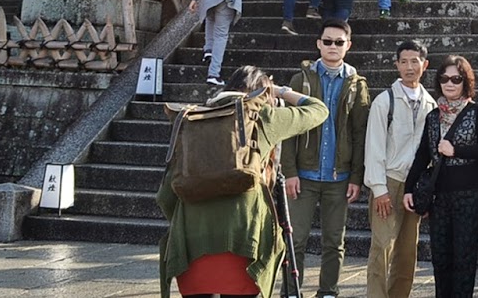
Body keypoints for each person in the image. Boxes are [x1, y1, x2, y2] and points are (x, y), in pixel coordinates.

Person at [157, 65, 327, 298]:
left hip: (191, 240)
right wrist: (281, 90)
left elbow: (166, 194)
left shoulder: (191, 118)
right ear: (262, 92)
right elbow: (318, 110)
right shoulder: (263, 116)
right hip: (243, 237)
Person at [281, 20, 372, 298]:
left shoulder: (357, 85)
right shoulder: (302, 80)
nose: (333, 47)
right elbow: (289, 130)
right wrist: (289, 171)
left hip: (339, 177)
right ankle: (291, 291)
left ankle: (328, 291)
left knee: (334, 240)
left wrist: (357, 176)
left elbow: (360, 133)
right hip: (304, 175)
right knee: (295, 238)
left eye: (339, 42)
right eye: (328, 41)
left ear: (348, 46)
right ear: (318, 43)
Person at [404, 55, 478, 298]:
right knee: (441, 256)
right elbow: (423, 154)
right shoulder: (434, 116)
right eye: (444, 78)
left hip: (468, 195)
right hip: (440, 196)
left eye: (456, 78)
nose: (450, 83)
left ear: (466, 82)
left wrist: (457, 150)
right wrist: (408, 189)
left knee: (464, 256)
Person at [364, 40, 437, 298]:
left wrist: (427, 192)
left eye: (415, 61)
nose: (409, 67)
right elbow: (373, 147)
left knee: (408, 251)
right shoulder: (384, 101)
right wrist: (379, 189)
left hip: (415, 186)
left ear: (424, 65)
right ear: (396, 64)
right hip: (389, 181)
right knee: (382, 248)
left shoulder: (432, 105)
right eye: (404, 61)